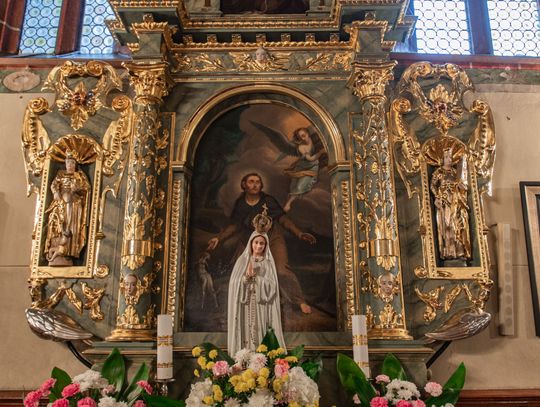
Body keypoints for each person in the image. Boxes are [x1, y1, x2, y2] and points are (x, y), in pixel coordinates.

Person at [207, 173, 315, 314]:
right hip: (250, 240)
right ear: (244, 185)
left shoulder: (268, 201)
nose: (255, 185)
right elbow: (235, 226)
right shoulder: (240, 204)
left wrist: (299, 233)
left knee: (281, 271)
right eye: (251, 182)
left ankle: (299, 300)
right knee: (242, 271)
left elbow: (283, 220)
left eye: (258, 182)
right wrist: (218, 238)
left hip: (272, 238)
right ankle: (251, 303)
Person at [227, 215, 285, 355]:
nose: (258, 246)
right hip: (245, 304)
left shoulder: (267, 263)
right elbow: (234, 283)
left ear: (266, 245)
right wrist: (245, 279)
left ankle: (261, 358)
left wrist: (257, 279)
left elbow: (272, 286)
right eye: (256, 242)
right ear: (250, 243)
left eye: (262, 243)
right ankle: (245, 357)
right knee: (247, 332)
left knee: (259, 330)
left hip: (261, 305)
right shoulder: (242, 261)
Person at [44, 151, 91, 266]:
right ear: (65, 164)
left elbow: (87, 188)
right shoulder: (60, 174)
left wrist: (77, 188)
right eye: (68, 162)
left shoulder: (80, 175)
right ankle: (58, 248)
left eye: (72, 163)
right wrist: (55, 192)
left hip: (74, 204)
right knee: (60, 224)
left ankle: (70, 251)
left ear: (75, 165)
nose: (70, 165)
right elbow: (54, 184)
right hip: (61, 203)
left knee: (71, 227)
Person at [430, 148, 471, 260]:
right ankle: (449, 252)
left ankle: (459, 251)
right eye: (446, 157)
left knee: (458, 225)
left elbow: (462, 186)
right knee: (448, 226)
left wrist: (461, 187)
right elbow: (433, 185)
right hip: (444, 202)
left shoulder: (455, 172)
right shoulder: (438, 172)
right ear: (442, 159)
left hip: (455, 201)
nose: (449, 159)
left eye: (450, 157)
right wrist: (437, 197)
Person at [283, 127, 324, 212]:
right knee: (294, 185)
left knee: (300, 185)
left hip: (312, 167)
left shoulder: (315, 139)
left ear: (308, 133)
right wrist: (321, 152)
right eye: (300, 137)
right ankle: (291, 202)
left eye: (303, 135)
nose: (302, 138)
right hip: (301, 167)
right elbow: (310, 159)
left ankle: (289, 203)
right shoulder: (301, 147)